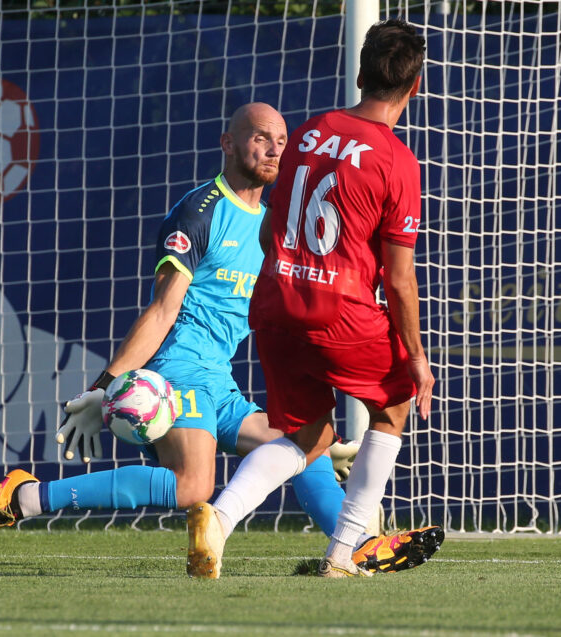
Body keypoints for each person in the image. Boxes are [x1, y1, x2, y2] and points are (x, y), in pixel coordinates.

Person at [0, 104, 416, 574]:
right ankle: (23, 497)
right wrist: (103, 386)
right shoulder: (199, 211)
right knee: (193, 487)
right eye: (260, 138)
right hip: (178, 372)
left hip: (219, 382)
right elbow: (162, 310)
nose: (274, 150)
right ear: (227, 144)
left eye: (281, 141)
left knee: (307, 448)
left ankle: (356, 546)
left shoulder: (279, 222)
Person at [186, 20, 441, 580]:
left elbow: (269, 225)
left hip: (275, 302)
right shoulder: (396, 159)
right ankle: (345, 554)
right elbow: (399, 281)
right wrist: (417, 357)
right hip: (339, 308)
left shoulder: (309, 131)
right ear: (415, 86)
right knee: (395, 402)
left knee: (309, 435)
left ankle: (219, 520)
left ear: (359, 74)